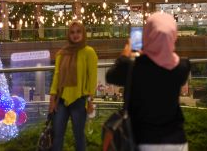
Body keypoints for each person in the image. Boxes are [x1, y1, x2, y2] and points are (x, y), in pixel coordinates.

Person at [106, 12, 190, 151]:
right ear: (173, 36)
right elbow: (166, 61)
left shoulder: (133, 67)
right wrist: (163, 47)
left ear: (148, 35)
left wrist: (126, 53)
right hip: (178, 142)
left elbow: (111, 76)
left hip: (144, 141)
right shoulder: (182, 67)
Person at [49, 21, 98, 151]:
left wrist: (90, 101)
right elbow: (57, 76)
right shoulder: (62, 53)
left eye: (78, 31)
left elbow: (92, 78)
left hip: (79, 100)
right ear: (68, 35)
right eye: (72, 32)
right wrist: (52, 99)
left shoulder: (89, 52)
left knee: (78, 136)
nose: (75, 35)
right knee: (57, 135)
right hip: (61, 100)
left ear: (83, 33)